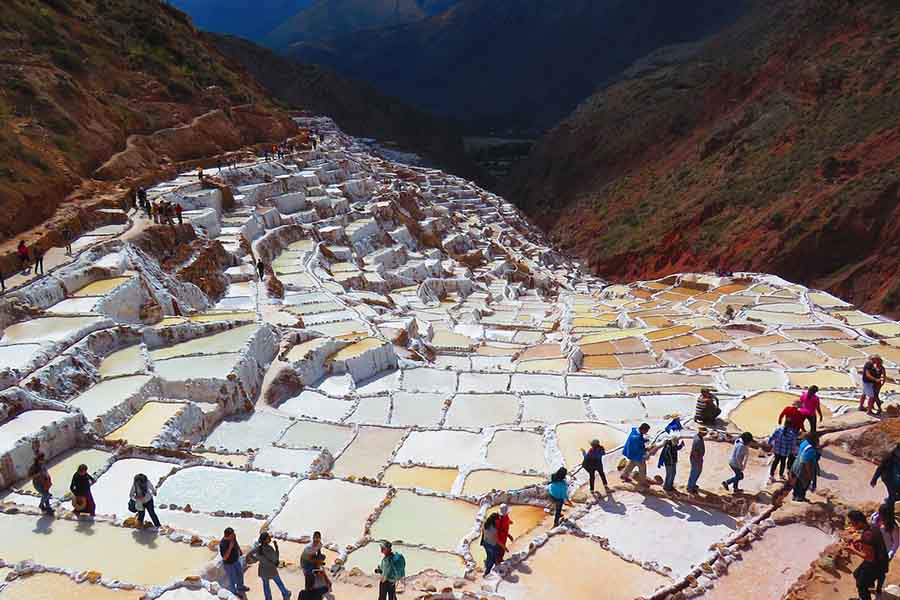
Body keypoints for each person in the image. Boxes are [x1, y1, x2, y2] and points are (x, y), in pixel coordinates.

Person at [845, 510, 889, 600]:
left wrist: (852, 550)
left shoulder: (867, 536)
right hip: (882, 561)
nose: (852, 526)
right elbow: (873, 543)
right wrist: (860, 540)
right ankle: (869, 583)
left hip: (875, 565)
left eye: (853, 523)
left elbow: (868, 557)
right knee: (857, 574)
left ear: (860, 522)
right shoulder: (873, 527)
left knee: (861, 585)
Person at [252, 532, 291, 600]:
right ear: (265, 540)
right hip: (271, 570)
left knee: (266, 585)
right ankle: (285, 593)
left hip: (262, 570)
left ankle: (268, 598)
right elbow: (276, 559)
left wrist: (256, 559)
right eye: (268, 538)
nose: (270, 538)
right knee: (279, 582)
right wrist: (276, 548)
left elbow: (251, 554)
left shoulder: (258, 548)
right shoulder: (269, 548)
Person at [871, 502, 899, 596]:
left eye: (882, 514)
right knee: (871, 567)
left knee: (881, 572)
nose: (880, 515)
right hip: (874, 548)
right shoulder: (876, 518)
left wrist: (890, 554)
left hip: (885, 552)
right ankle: (870, 583)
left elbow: (896, 542)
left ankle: (878, 588)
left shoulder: (893, 527)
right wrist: (874, 521)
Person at [220, 527, 249, 598]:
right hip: (229, 564)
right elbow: (224, 558)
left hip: (236, 560)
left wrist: (239, 550)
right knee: (232, 579)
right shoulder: (223, 544)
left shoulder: (233, 537)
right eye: (232, 535)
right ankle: (234, 592)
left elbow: (236, 542)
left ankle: (240, 586)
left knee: (240, 573)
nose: (234, 535)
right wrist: (230, 547)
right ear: (228, 535)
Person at [790, 433, 819, 501]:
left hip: (796, 465)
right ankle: (800, 498)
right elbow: (806, 463)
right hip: (802, 469)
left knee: (797, 483)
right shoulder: (810, 450)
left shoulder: (805, 442)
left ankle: (795, 496)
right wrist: (809, 474)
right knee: (803, 484)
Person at [687, 427, 707, 493]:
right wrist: (698, 461)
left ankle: (693, 484)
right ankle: (690, 488)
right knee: (694, 473)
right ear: (701, 433)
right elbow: (695, 452)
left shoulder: (698, 437)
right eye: (704, 433)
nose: (706, 434)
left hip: (698, 458)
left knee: (697, 472)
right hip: (696, 459)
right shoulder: (697, 440)